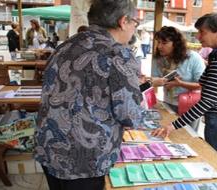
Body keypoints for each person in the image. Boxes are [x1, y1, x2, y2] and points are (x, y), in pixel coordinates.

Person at [34, 1, 143, 190]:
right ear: (123, 21)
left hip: (49, 145)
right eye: (135, 22)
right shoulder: (118, 54)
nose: (135, 28)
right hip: (84, 158)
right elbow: (130, 115)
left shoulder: (65, 46)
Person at [151, 13, 217, 164]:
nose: (198, 36)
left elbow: (207, 100)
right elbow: (205, 82)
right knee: (216, 154)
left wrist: (174, 124)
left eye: (202, 32)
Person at [150, 26, 205, 132]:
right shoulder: (158, 59)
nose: (160, 46)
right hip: (168, 105)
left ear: (176, 43)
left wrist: (180, 83)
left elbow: (203, 84)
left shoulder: (193, 58)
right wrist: (154, 82)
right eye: (158, 42)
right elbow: (154, 80)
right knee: (169, 134)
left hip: (190, 107)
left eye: (164, 43)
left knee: (189, 137)